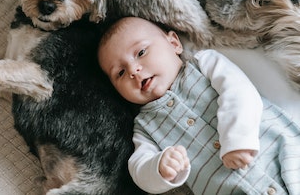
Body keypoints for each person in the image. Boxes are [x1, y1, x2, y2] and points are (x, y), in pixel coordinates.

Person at [98, 17, 300, 195]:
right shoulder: (144, 127)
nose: (133, 70)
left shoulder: (205, 64)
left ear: (174, 43)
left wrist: (238, 139)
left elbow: (239, 91)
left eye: (141, 52)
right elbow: (139, 169)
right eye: (120, 73)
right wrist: (159, 167)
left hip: (284, 153)